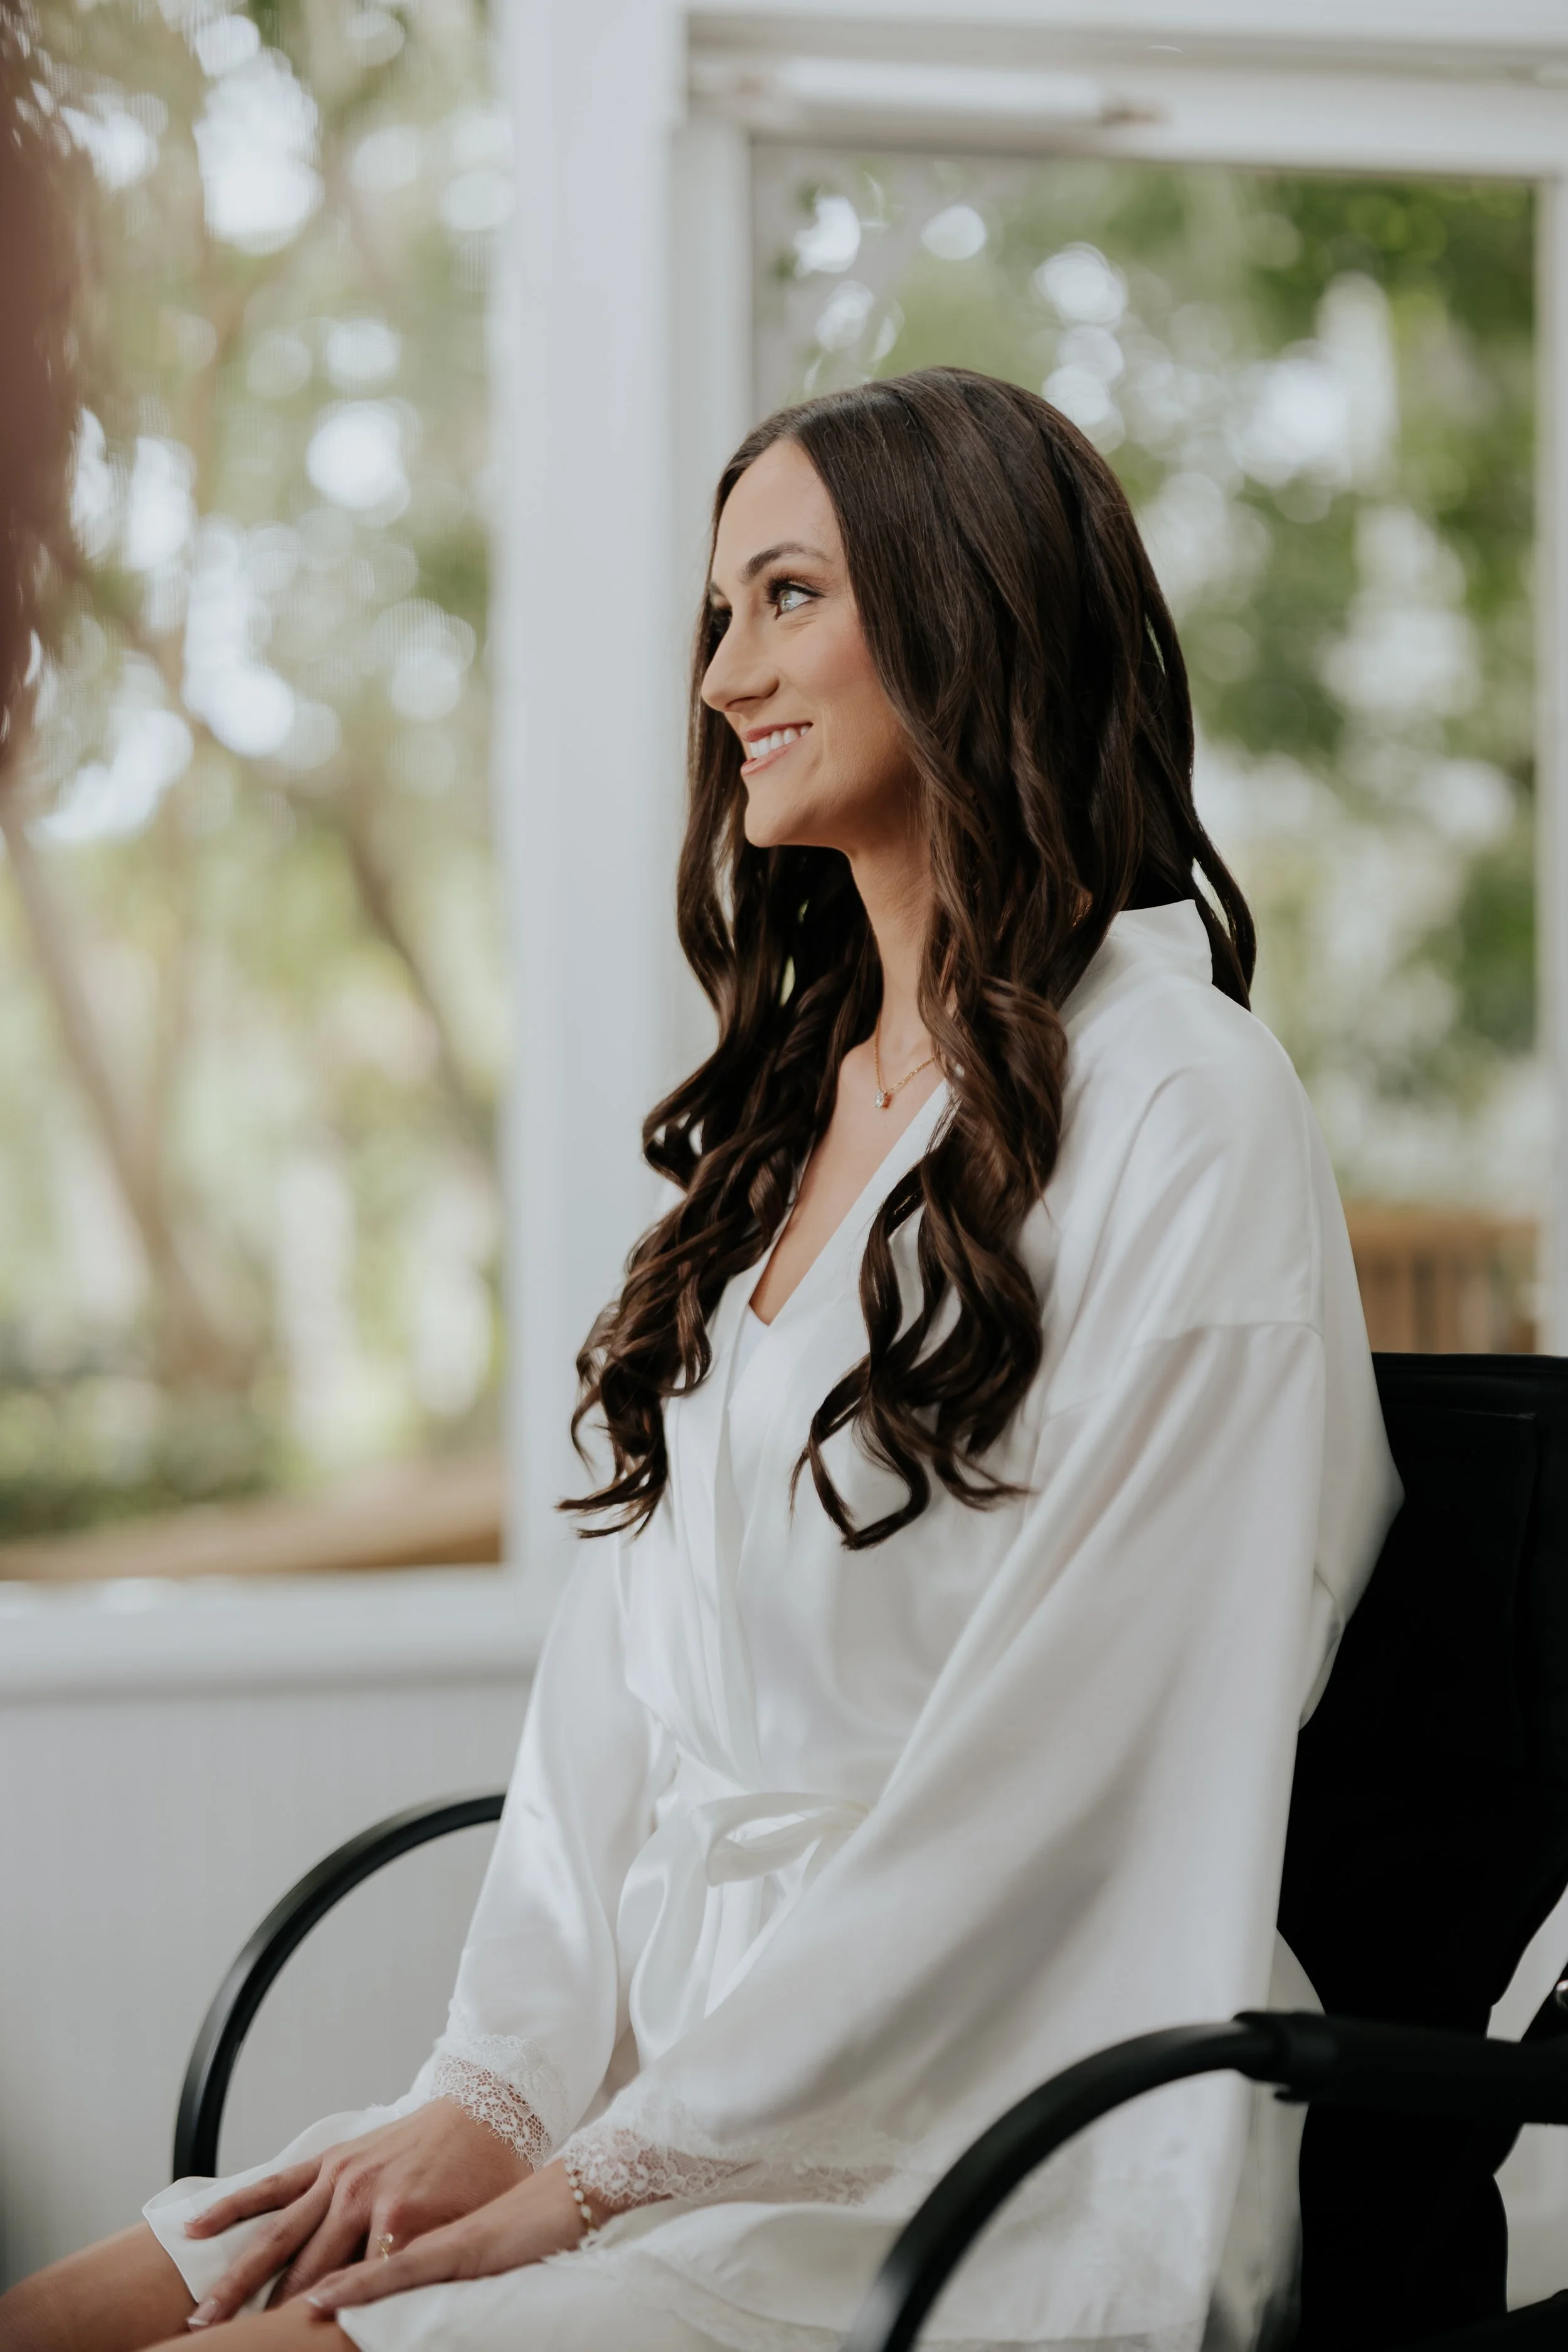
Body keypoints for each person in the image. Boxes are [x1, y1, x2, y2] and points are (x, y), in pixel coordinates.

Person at [0, 367, 1399, 2352]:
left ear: (967, 605)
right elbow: (617, 1694)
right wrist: (492, 2096)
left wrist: (610, 2170)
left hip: (990, 2121)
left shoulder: (1185, 1103)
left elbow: (1069, 1770)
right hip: (660, 2074)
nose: (725, 669)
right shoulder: (799, 1114)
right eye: (714, 614)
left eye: (786, 597)